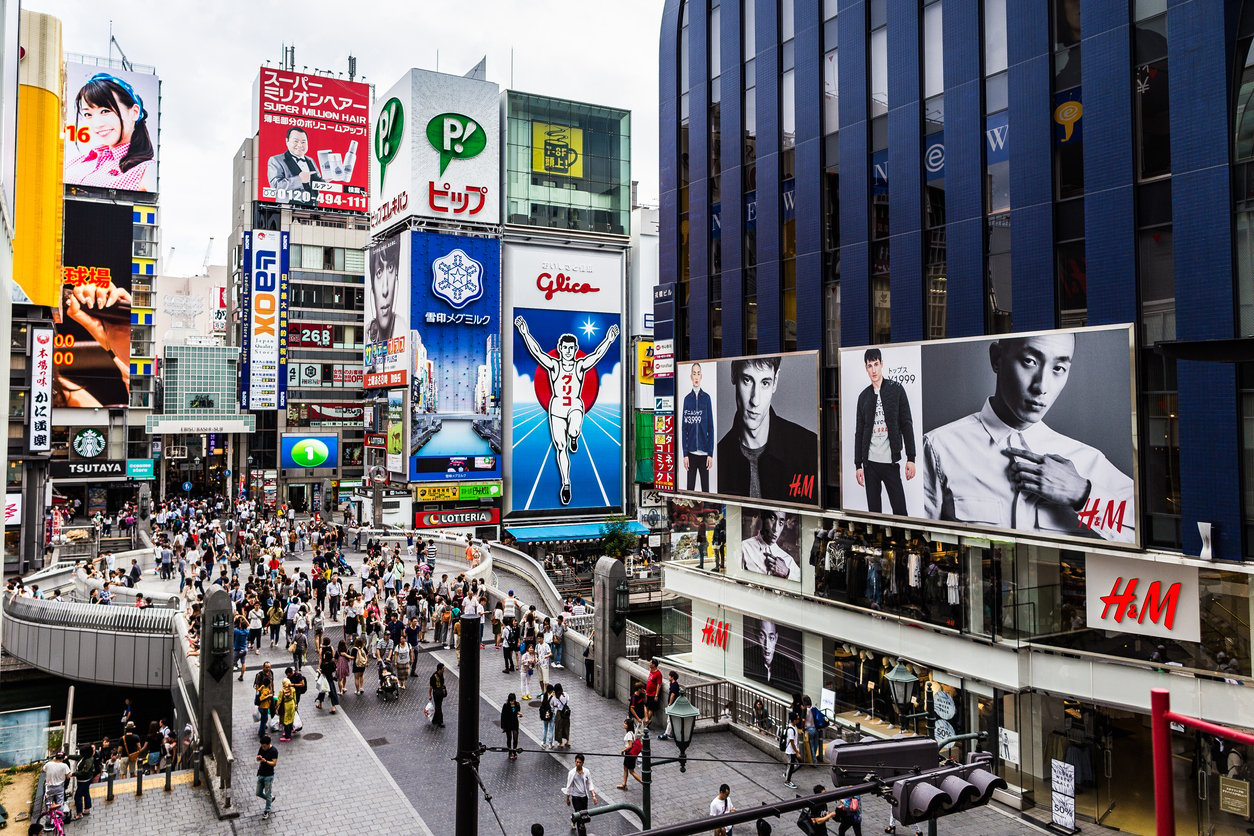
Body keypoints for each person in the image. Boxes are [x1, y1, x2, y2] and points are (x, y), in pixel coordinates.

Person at [922, 332, 1135, 542]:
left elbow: (1146, 535)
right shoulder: (939, 448)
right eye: (1029, 361)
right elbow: (917, 541)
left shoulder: (1087, 461)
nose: (1041, 386)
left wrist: (1083, 494)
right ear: (997, 358)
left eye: (1058, 369)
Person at [514, 315, 621, 505]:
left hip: (574, 406)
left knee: (574, 429)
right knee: (560, 448)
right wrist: (524, 332)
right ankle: (566, 483)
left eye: (572, 348)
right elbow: (537, 352)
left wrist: (609, 339)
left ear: (575, 350)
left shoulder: (580, 366)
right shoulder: (554, 366)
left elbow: (597, 355)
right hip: (556, 409)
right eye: (565, 348)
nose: (569, 351)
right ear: (560, 349)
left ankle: (574, 436)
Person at [715, 356, 818, 501]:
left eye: (765, 383)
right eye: (747, 380)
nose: (755, 400)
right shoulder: (717, 459)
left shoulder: (810, 449)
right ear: (733, 374)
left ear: (775, 382)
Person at [64, 73, 156, 191]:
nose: (97, 124)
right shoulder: (78, 161)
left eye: (105, 111)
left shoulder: (145, 170)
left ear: (134, 112)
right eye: (88, 114)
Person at [852, 348, 916, 515]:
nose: (873, 370)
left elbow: (906, 424)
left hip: (890, 462)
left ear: (882, 365)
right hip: (870, 464)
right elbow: (859, 432)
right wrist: (858, 464)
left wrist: (911, 458)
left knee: (900, 512)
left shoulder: (896, 390)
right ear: (866, 368)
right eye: (869, 366)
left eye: (876, 364)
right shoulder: (863, 397)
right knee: (874, 514)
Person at [265, 126, 323, 204]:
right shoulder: (276, 160)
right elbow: (275, 186)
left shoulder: (310, 160)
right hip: (287, 207)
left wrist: (324, 181)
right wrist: (299, 179)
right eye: (296, 141)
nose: (300, 145)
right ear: (287, 141)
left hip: (312, 207)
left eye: (303, 142)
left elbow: (316, 181)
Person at [744, 617, 802, 692]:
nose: (767, 645)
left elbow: (797, 692)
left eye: (771, 638)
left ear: (776, 638)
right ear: (756, 635)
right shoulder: (747, 655)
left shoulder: (788, 665)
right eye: (762, 636)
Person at [681, 362, 714, 491]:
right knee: (690, 489)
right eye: (694, 373)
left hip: (704, 453)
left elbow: (710, 427)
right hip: (691, 454)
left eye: (698, 373)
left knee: (706, 489)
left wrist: (710, 453)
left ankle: (707, 511)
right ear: (691, 376)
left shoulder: (706, 398)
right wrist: (685, 454)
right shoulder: (687, 399)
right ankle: (689, 512)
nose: (696, 376)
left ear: (701, 376)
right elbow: (684, 429)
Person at [740, 509, 800, 580]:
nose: (775, 529)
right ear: (763, 518)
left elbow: (806, 585)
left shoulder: (788, 560)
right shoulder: (744, 548)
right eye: (772, 519)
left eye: (781, 523)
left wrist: (787, 572)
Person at [366, 235, 402, 346]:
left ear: (396, 278)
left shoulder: (404, 330)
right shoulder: (368, 332)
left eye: (390, 267)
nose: (385, 290)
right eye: (379, 272)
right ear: (372, 288)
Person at [563, 753, 598, 819]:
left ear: (583, 763)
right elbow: (569, 786)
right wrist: (567, 798)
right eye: (577, 762)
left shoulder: (586, 771)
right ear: (575, 762)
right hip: (576, 796)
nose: (578, 764)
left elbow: (590, 783)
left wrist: (593, 796)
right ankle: (578, 825)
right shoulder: (571, 773)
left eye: (580, 762)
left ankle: (574, 819)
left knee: (584, 813)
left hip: (584, 796)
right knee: (578, 813)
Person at [255, 734, 278, 820]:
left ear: (269, 744)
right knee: (258, 792)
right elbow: (257, 759)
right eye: (262, 746)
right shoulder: (261, 748)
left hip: (269, 775)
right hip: (261, 773)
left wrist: (265, 761)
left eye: (264, 746)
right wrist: (258, 758)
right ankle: (270, 799)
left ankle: (267, 810)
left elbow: (274, 763)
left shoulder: (274, 751)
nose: (263, 748)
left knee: (268, 793)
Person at [617, 718, 642, 789]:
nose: (624, 725)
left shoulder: (629, 734)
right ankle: (624, 784)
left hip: (629, 754)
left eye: (625, 723)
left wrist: (623, 750)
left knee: (631, 771)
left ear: (628, 725)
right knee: (625, 768)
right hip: (630, 754)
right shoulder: (632, 733)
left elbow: (630, 746)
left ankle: (643, 782)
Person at [660, 670, 684, 740]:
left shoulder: (674, 685)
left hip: (673, 705)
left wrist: (670, 704)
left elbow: (672, 695)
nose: (668, 677)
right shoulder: (674, 684)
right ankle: (673, 733)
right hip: (675, 705)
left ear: (672, 677)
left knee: (669, 720)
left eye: (669, 676)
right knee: (672, 719)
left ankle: (667, 734)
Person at [783, 716, 803, 789]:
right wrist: (796, 752)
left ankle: (787, 773)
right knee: (791, 765)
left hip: (793, 750)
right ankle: (787, 781)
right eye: (797, 719)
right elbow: (792, 742)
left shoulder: (794, 727)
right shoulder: (790, 730)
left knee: (799, 763)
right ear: (794, 720)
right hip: (790, 751)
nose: (798, 720)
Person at [501, 693, 522, 760]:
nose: (512, 702)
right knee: (509, 738)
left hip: (515, 723)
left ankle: (514, 751)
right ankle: (510, 752)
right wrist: (503, 726)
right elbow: (503, 716)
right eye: (510, 701)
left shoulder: (517, 704)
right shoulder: (506, 706)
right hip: (508, 723)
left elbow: (517, 712)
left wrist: (519, 714)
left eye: (513, 701)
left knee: (515, 738)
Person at [644, 658, 663, 725]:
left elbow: (659, 685)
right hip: (648, 692)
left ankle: (646, 722)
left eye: (650, 663)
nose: (649, 664)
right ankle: (647, 720)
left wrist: (656, 695)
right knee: (645, 706)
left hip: (653, 694)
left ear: (654, 665)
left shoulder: (658, 674)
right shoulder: (651, 671)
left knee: (651, 708)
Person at [552, 683, 571, 749]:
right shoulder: (565, 694)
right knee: (566, 727)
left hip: (560, 713)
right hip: (566, 713)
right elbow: (568, 700)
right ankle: (568, 741)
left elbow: (554, 704)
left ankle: (561, 743)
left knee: (559, 728)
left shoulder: (556, 697)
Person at [429, 662, 447, 727]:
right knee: (438, 707)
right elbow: (431, 686)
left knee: (438, 706)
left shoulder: (441, 674)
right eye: (443, 668)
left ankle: (435, 720)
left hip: (440, 693)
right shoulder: (434, 676)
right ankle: (440, 721)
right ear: (439, 669)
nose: (444, 670)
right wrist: (430, 695)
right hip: (436, 693)